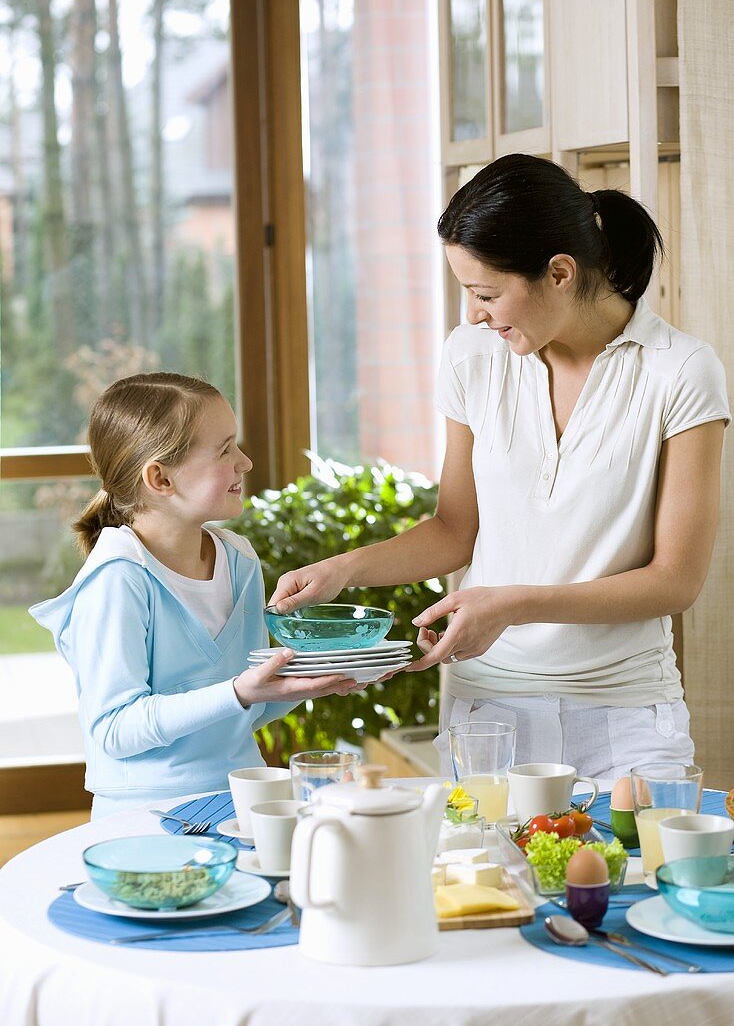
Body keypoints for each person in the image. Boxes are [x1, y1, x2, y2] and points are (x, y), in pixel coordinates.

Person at [270, 154, 730, 779]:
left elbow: (675, 581)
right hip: (489, 713)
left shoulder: (679, 370)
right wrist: (343, 571)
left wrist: (511, 605)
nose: (473, 315)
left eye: (486, 293)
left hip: (626, 711)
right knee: (485, 879)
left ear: (560, 272)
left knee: (645, 875)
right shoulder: (473, 358)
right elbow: (453, 530)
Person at [30, 373, 364, 818]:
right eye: (225, 449)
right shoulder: (118, 579)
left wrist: (311, 677)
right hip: (145, 813)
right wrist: (239, 692)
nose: (244, 462)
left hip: (242, 796)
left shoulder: (239, 561)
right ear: (160, 478)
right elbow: (114, 729)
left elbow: (245, 708)